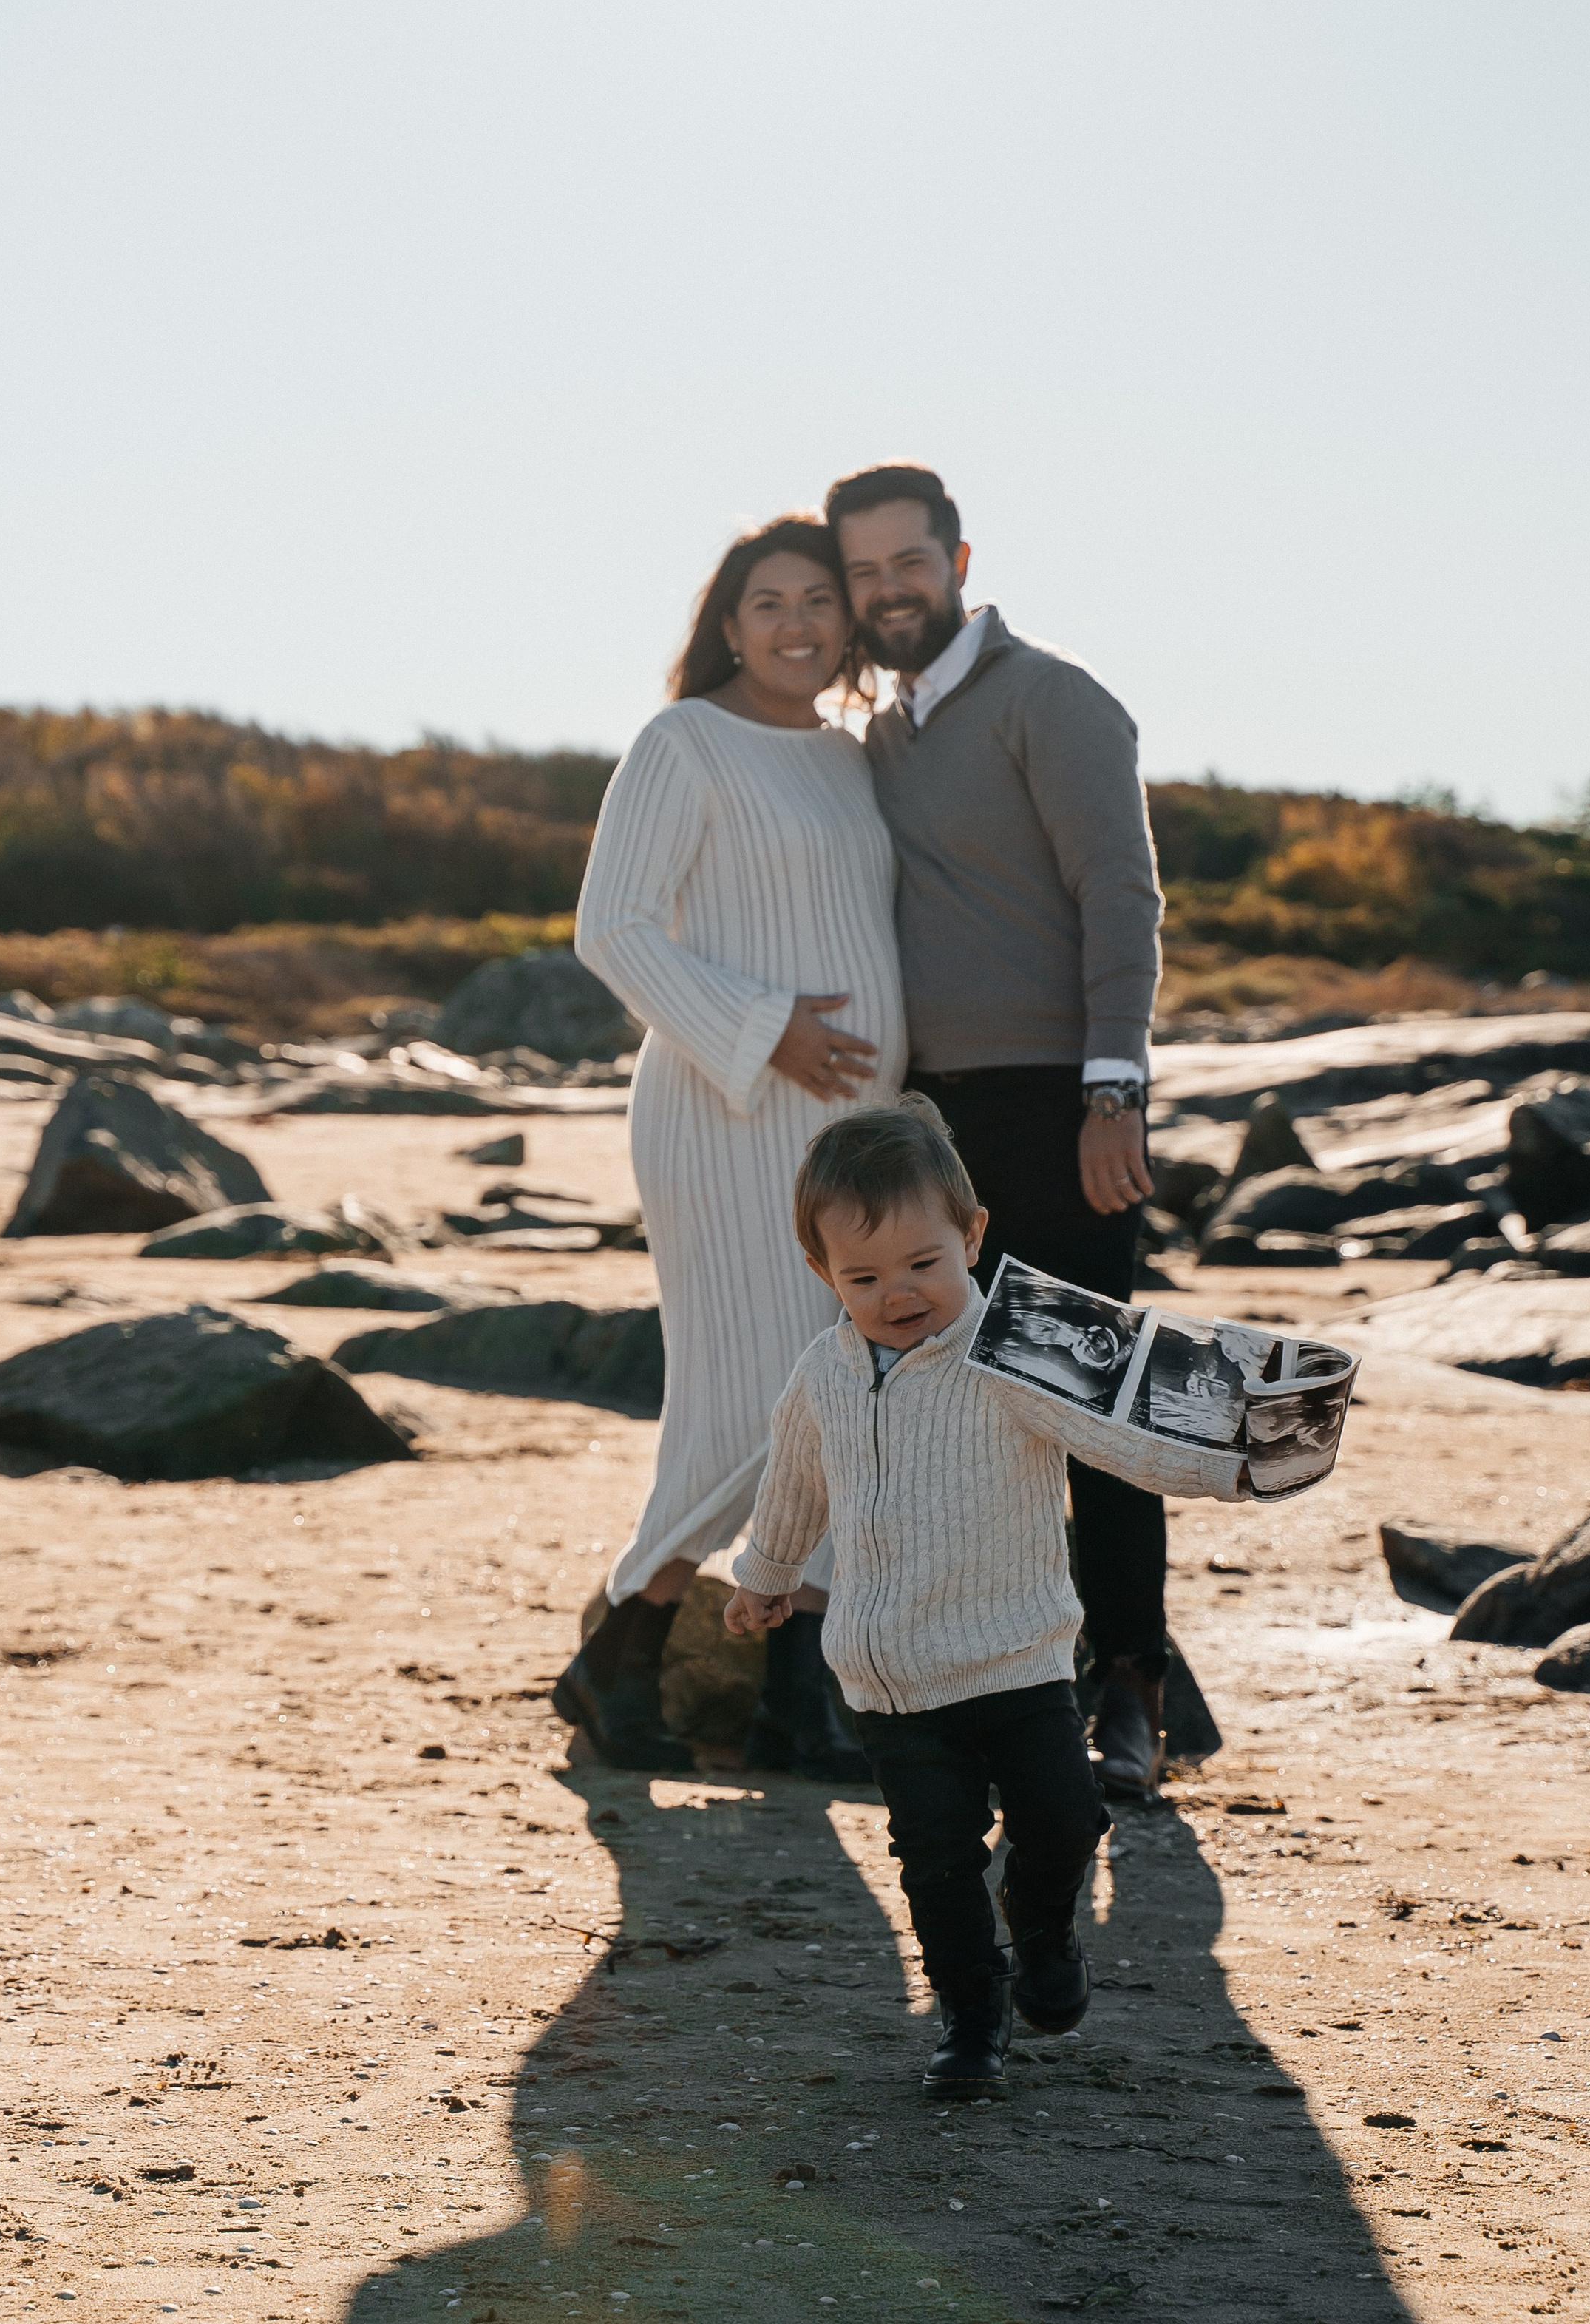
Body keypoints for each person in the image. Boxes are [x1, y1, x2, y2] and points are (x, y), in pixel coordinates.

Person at [724, 1099, 1248, 2101]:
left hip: (1018, 1657)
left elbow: (1128, 1428)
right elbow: (793, 1485)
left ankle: (1045, 1926)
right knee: (935, 1862)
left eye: (924, 1264)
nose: (900, 1294)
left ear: (973, 1236)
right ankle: (972, 2016)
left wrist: (1231, 1451)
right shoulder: (821, 1375)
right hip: (892, 1677)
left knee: (1065, 1817)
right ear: (822, 1275)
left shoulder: (1020, 1346)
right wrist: (765, 1579)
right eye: (864, 1277)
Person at [823, 457, 1178, 1795]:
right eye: (863, 574)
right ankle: (990, 1688)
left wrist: (1113, 1092)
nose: (886, 591)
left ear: (959, 565)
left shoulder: (1055, 698)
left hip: (1056, 1105)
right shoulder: (883, 738)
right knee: (951, 1411)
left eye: (907, 564)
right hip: (929, 1122)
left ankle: (1134, 1691)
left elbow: (1121, 897)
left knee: (1093, 1403)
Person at [557, 515, 908, 1778]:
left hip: (853, 1130)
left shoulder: (852, 755)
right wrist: (765, 1036)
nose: (799, 623)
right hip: (727, 1112)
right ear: (726, 620)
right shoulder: (683, 742)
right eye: (769, 602)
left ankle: (794, 1700)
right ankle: (625, 1647)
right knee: (748, 1397)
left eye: (821, 600)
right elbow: (616, 928)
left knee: (839, 1389)